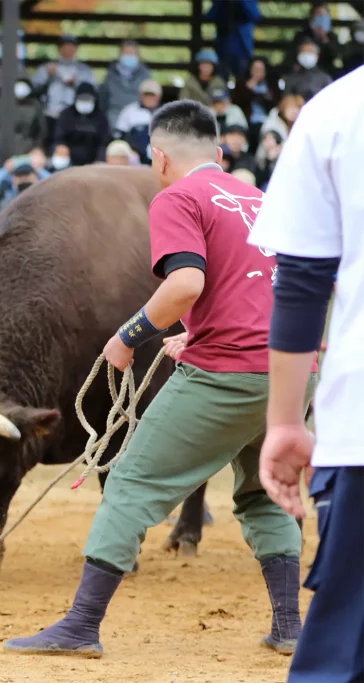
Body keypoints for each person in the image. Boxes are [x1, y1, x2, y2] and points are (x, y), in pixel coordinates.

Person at [2, 100, 313, 659]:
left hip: (227, 374)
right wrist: (198, 332)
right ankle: (290, 626)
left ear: (159, 158)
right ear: (219, 154)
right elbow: (271, 286)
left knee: (129, 484)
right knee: (264, 492)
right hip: (290, 371)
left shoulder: (177, 197)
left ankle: (81, 625)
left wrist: (127, 336)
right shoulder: (259, 198)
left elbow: (186, 284)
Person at [247, 66, 363, 683]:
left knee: (343, 652)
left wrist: (286, 421)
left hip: (360, 423)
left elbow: (301, 280)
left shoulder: (338, 108)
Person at [30, 35, 96, 152]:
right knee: (49, 144)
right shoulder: (47, 68)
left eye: (71, 46)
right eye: (65, 46)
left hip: (75, 116)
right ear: (59, 48)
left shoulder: (84, 70)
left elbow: (92, 92)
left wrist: (76, 83)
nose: (68, 49)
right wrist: (48, 76)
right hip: (51, 114)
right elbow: (33, 90)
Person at [0, 73, 46, 157]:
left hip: (26, 149)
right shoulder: (0, 103)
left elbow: (41, 131)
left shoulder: (35, 105)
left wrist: (35, 147)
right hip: (1, 147)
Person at [52, 81, 111, 167]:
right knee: (59, 157)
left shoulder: (100, 117)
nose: (85, 102)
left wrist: (100, 159)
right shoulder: (66, 114)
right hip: (69, 159)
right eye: (82, 99)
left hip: (93, 159)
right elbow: (58, 137)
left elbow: (105, 141)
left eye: (88, 99)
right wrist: (61, 147)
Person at [99, 40, 153, 130]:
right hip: (114, 119)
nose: (129, 56)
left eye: (132, 53)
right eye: (126, 53)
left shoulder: (145, 75)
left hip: (138, 118)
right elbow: (103, 99)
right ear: (120, 55)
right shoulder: (110, 75)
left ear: (138, 56)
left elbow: (150, 100)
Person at [230, 57, 280, 151]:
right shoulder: (242, 83)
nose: (258, 72)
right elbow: (236, 103)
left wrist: (264, 97)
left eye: (261, 69)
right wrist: (248, 89)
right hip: (247, 121)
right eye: (255, 69)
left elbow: (276, 104)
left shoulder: (272, 85)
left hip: (267, 122)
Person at [204, 0, 262, 78]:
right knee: (221, 80)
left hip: (242, 49)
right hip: (223, 48)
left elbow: (256, 15)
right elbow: (210, 16)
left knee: (242, 80)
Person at [113, 79, 161, 165]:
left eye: (152, 95)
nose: (149, 98)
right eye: (146, 95)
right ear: (141, 95)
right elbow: (119, 136)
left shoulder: (169, 112)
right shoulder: (129, 111)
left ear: (159, 96)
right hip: (134, 160)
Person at [286, 2, 340, 75]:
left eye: (324, 15)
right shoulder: (301, 35)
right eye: (318, 15)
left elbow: (336, 55)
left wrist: (325, 40)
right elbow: (291, 56)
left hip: (326, 74)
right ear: (312, 17)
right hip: (303, 75)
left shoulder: (332, 37)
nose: (321, 18)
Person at [283, 38, 333, 102]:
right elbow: (287, 100)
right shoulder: (290, 79)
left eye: (310, 52)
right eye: (304, 52)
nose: (307, 55)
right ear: (299, 55)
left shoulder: (325, 78)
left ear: (317, 55)